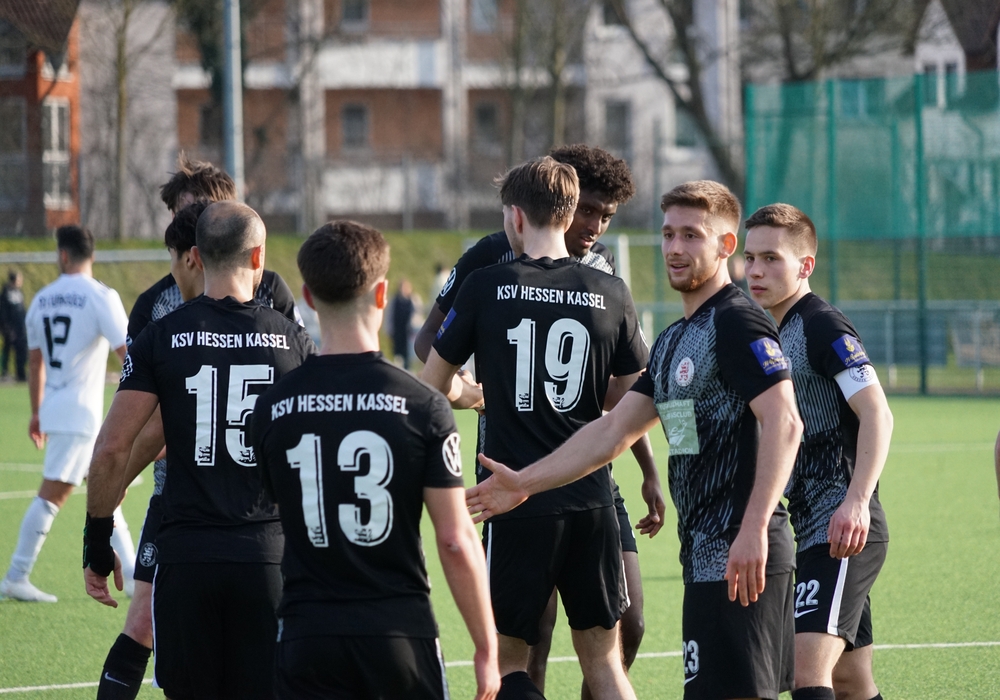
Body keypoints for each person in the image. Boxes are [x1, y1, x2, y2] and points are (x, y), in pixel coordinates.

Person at [467, 180, 804, 700]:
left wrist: (755, 528)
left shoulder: (737, 322)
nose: (674, 248)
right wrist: (524, 483)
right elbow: (610, 431)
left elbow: (785, 422)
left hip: (743, 555)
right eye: (668, 234)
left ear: (725, 246)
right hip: (704, 557)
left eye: (691, 235)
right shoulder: (674, 340)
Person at [415, 144, 664, 696]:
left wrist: (472, 394)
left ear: (516, 215)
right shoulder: (609, 291)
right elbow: (635, 401)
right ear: (569, 212)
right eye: (590, 212)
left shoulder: (489, 286)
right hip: (587, 491)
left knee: (510, 663)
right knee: (600, 662)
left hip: (514, 491)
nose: (596, 225)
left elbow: (430, 384)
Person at [251, 221, 500, 700]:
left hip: (306, 634)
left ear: (308, 296)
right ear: (383, 293)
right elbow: (454, 539)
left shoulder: (272, 407)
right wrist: (486, 645)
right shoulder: (423, 405)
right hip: (398, 633)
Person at [83, 202, 314, 700]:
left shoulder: (161, 336)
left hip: (187, 560)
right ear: (259, 257)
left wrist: (97, 543)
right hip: (267, 559)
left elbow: (111, 449)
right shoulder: (294, 342)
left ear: (196, 256)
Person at [743, 203, 892, 700]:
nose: (756, 271)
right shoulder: (771, 331)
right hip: (811, 530)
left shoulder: (821, 325)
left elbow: (878, 414)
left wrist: (856, 502)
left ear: (805, 265)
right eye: (750, 258)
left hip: (843, 528)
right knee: (850, 681)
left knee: (806, 671)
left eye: (771, 259)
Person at [0, 226, 135, 603]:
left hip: (60, 409)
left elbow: (35, 362)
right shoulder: (101, 296)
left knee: (107, 489)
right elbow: (129, 354)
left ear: (63, 255)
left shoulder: (42, 299)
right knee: (53, 494)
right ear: (92, 255)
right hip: (82, 414)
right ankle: (16, 575)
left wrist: (36, 413)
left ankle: (134, 574)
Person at [0, 270, 28, 381]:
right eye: (19, 279)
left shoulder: (19, 293)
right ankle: (4, 372)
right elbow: (3, 313)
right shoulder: (5, 294)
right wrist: (6, 328)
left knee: (22, 350)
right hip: (9, 329)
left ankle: (20, 373)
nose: (20, 282)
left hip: (20, 328)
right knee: (7, 349)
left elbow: (22, 310)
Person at [389, 278, 417, 369]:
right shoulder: (394, 300)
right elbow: (390, 315)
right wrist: (389, 330)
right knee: (398, 354)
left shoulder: (413, 300)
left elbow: (417, 315)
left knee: (408, 355)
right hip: (397, 332)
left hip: (409, 332)